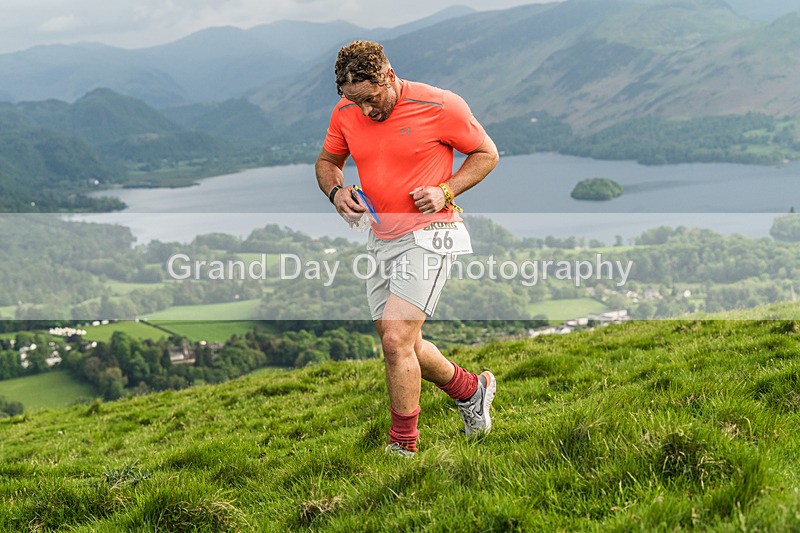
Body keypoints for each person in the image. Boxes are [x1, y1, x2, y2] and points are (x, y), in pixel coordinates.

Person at [315, 40, 499, 457]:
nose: (364, 111)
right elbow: (327, 163)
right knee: (404, 343)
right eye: (353, 101)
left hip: (432, 233)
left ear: (389, 75)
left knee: (396, 338)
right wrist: (336, 192)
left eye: (370, 98)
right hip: (381, 235)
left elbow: (487, 153)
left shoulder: (441, 105)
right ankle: (471, 390)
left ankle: (403, 449)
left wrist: (445, 188)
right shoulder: (345, 111)